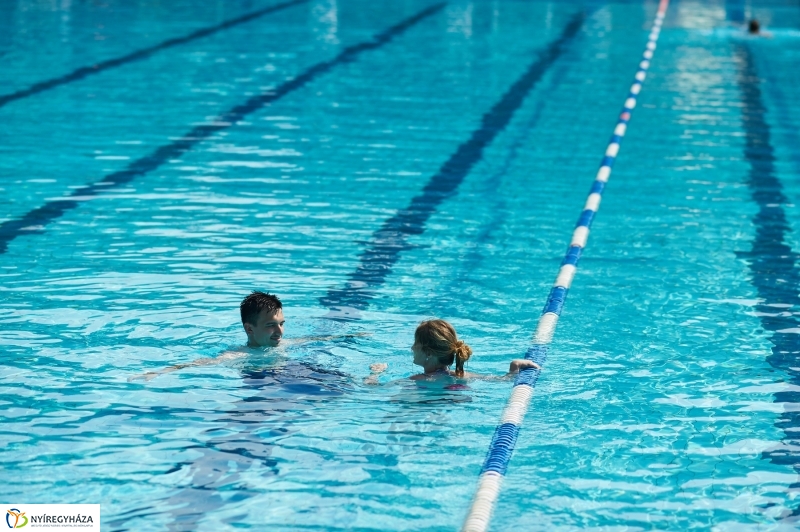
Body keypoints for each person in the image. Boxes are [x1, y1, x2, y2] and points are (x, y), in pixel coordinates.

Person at [129, 291, 362, 381]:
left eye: (281, 324)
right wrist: (158, 372)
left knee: (341, 381)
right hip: (258, 380)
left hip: (288, 374)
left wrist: (351, 335)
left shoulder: (284, 344)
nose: (280, 332)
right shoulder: (237, 355)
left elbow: (313, 340)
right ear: (250, 329)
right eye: (271, 325)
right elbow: (199, 363)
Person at [364, 319, 539, 384]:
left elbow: (372, 389)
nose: (411, 348)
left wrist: (375, 374)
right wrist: (514, 366)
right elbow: (505, 380)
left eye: (415, 344)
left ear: (428, 353)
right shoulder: (463, 375)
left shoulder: (417, 380)